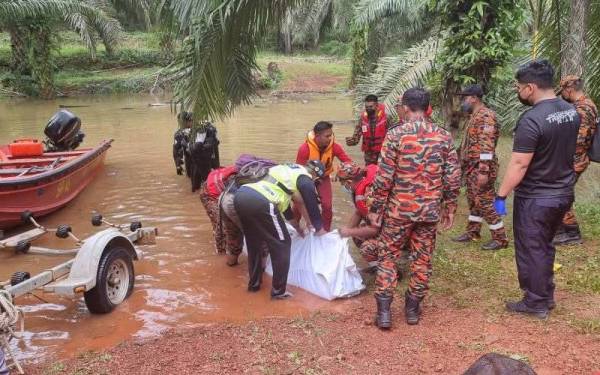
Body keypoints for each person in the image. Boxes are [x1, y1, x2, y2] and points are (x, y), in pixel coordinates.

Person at [367, 88, 461, 328]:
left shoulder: (396, 135)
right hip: (429, 212)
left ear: (405, 107)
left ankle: (385, 314)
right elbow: (452, 176)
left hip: (399, 211)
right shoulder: (443, 136)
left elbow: (384, 176)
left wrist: (376, 207)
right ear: (427, 108)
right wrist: (450, 207)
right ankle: (412, 311)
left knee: (388, 257)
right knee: (422, 259)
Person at [494, 60, 579, 319]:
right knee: (544, 245)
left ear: (530, 87)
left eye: (519, 87)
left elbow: (519, 164)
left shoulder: (532, 120)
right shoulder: (570, 110)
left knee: (532, 247)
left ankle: (535, 302)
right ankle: (546, 294)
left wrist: (501, 195)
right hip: (563, 193)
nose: (518, 92)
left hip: (536, 198)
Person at [234, 161, 327, 299]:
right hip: (261, 199)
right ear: (315, 174)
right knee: (282, 244)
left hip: (242, 195)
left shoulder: (285, 174)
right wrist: (319, 227)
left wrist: (298, 228)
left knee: (255, 244)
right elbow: (309, 197)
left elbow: (287, 213)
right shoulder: (304, 175)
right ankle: (279, 292)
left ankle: (254, 286)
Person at [452, 84, 509, 250]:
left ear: (473, 98)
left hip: (482, 167)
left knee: (484, 202)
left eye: (465, 98)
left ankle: (500, 238)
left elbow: (486, 146)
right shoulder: (475, 115)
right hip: (472, 166)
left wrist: (483, 170)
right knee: (473, 200)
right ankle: (473, 232)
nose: (463, 101)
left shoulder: (486, 116)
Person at [553, 75, 598, 245]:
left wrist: (564, 158)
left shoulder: (584, 108)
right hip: (574, 158)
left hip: (575, 159)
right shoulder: (581, 105)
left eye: (562, 91)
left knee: (559, 193)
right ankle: (561, 229)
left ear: (569, 89)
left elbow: (580, 139)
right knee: (562, 192)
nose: (562, 94)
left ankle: (572, 233)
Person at [296, 121, 352, 231]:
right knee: (298, 203)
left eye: (331, 135)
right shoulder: (304, 149)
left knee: (327, 206)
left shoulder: (334, 147)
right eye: (327, 136)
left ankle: (325, 231)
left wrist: (341, 172)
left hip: (324, 177)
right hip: (306, 179)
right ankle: (295, 227)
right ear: (317, 136)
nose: (330, 138)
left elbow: (348, 162)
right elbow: (298, 172)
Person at [336, 162, 380, 270]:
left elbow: (375, 229)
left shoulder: (368, 194)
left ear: (349, 182)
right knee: (357, 234)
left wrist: (349, 232)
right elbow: (358, 212)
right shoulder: (364, 186)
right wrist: (344, 232)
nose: (343, 187)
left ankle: (388, 271)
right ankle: (376, 267)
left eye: (343, 184)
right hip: (386, 227)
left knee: (366, 248)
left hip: (394, 232)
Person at [346, 94, 391, 165]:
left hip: (383, 153)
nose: (368, 109)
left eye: (371, 107)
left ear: (376, 105)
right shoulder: (363, 119)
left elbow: (393, 135)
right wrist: (351, 141)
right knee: (369, 173)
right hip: (369, 155)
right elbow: (356, 137)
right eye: (366, 107)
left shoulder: (386, 118)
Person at [189, 120, 220, 192]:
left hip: (205, 160)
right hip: (200, 160)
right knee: (199, 182)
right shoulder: (198, 130)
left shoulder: (204, 130)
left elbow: (196, 148)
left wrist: (196, 146)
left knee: (207, 180)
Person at [173, 111, 192, 176]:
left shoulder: (197, 131)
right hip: (188, 160)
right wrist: (177, 165)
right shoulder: (178, 134)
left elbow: (175, 150)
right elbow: (175, 150)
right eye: (179, 122)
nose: (180, 124)